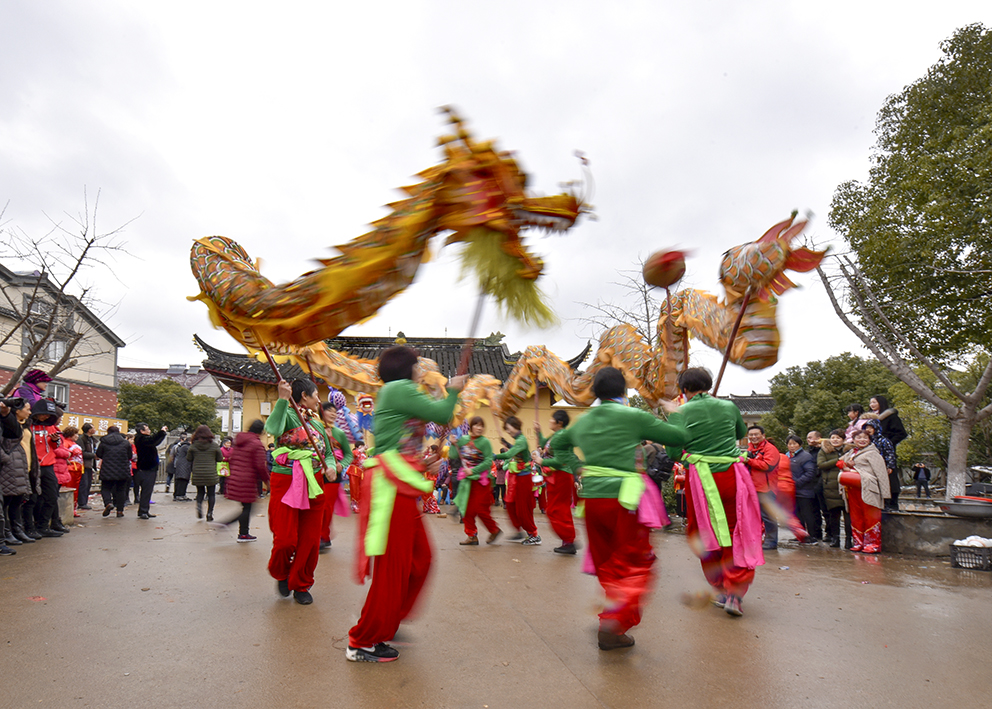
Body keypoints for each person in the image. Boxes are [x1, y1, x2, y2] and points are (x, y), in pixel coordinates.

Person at [347, 346, 466, 662]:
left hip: (401, 482)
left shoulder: (399, 392)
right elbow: (442, 414)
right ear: (406, 369)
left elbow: (406, 442)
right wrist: (453, 391)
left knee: (420, 559)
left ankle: (386, 621)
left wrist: (423, 464)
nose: (420, 372)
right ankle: (361, 640)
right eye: (417, 367)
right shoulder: (399, 389)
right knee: (393, 569)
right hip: (391, 488)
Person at [570, 366, 686, 649]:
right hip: (625, 500)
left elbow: (557, 446)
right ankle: (615, 620)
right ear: (623, 391)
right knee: (635, 559)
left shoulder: (581, 422)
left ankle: (613, 622)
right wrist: (677, 413)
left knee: (608, 561)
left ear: (594, 391)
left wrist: (579, 469)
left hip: (593, 500)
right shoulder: (633, 416)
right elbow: (679, 439)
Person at [664, 368, 762, 618]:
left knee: (705, 532)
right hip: (733, 476)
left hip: (702, 480)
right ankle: (735, 593)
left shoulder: (680, 412)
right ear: (707, 385)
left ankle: (720, 588)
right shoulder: (728, 407)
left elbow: (674, 452)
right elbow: (740, 433)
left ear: (684, 390)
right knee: (736, 531)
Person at [265, 379, 331, 606]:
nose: (319, 400)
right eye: (316, 395)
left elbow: (329, 453)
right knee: (285, 539)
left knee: (310, 540)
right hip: (286, 478)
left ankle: (302, 583)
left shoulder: (318, 423)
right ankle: (282, 572)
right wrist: (282, 399)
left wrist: (331, 466)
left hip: (315, 481)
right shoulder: (289, 414)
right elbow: (272, 429)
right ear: (304, 396)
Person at [533, 410, 580, 554]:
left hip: (561, 475)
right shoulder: (556, 435)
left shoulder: (561, 436)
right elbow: (544, 445)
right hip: (556, 476)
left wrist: (542, 460)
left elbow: (561, 460)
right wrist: (538, 432)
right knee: (556, 509)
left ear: (559, 422)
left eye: (552, 419)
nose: (550, 421)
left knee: (556, 509)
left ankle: (569, 539)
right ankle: (568, 540)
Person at [838, 428, 890, 553]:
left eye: (865, 438)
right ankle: (859, 543)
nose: (862, 440)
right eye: (858, 438)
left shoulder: (873, 454)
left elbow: (881, 474)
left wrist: (885, 493)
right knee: (856, 516)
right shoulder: (851, 452)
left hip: (869, 488)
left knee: (871, 516)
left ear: (869, 440)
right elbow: (840, 462)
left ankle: (873, 544)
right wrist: (844, 465)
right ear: (854, 440)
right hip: (852, 488)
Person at [218, 419, 270, 541]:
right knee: (249, 508)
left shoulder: (239, 441)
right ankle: (227, 525)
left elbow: (232, 459)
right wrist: (267, 481)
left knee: (246, 507)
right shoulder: (256, 444)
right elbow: (260, 466)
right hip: (247, 480)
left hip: (236, 478)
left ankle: (244, 533)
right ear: (261, 431)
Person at [454, 416, 500, 546]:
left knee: (480, 509)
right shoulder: (463, 440)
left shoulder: (484, 442)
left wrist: (473, 471)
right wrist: (453, 444)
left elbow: (488, 461)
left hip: (482, 481)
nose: (479, 428)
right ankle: (472, 536)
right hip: (467, 481)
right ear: (471, 427)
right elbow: (454, 455)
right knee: (466, 509)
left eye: (482, 426)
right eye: (476, 425)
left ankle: (494, 530)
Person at [494, 416, 539, 545]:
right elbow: (514, 450)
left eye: (508, 429)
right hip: (516, 477)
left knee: (522, 508)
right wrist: (507, 444)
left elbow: (509, 454)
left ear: (515, 426)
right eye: (506, 430)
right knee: (510, 504)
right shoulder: (519, 440)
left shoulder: (521, 440)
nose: (508, 432)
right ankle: (519, 530)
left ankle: (533, 534)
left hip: (524, 478)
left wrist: (494, 456)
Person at [30, 398, 68, 537]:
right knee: (33, 499)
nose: (46, 417)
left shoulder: (50, 427)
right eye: (43, 414)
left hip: (48, 466)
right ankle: (31, 527)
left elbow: (56, 446)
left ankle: (44, 525)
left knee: (51, 497)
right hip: (32, 466)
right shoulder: (28, 426)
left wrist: (54, 440)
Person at [319, 401, 353, 551]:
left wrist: (341, 464)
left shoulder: (339, 433)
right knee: (316, 505)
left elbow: (349, 455)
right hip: (316, 472)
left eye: (335, 412)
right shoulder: (315, 429)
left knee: (326, 507)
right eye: (329, 411)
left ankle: (323, 537)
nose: (333, 414)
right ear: (322, 412)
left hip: (333, 475)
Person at [0, 398, 34, 547]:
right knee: (6, 502)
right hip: (8, 466)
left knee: (17, 501)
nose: (29, 411)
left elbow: (15, 434)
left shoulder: (24, 425)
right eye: (26, 408)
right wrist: (5, 458)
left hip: (22, 465)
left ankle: (17, 531)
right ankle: (7, 534)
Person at [744, 425, 781, 550]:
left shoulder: (770, 449)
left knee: (768, 516)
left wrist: (748, 461)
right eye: (751, 435)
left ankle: (771, 541)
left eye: (756, 434)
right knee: (754, 515)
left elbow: (768, 466)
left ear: (763, 435)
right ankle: (757, 539)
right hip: (752, 487)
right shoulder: (750, 449)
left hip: (766, 488)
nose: (753, 437)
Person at [817, 430, 849, 548]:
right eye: (833, 437)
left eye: (838, 438)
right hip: (830, 486)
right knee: (833, 514)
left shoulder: (849, 450)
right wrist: (838, 461)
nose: (835, 440)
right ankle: (835, 538)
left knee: (848, 515)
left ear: (843, 439)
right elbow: (821, 464)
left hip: (846, 484)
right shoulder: (824, 450)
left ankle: (849, 539)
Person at [786, 435, 820, 543]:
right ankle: (801, 535)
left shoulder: (805, 456)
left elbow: (810, 473)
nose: (792, 446)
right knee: (797, 514)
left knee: (808, 515)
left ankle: (812, 536)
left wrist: (796, 483)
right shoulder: (787, 456)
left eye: (794, 444)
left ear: (799, 444)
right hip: (792, 491)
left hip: (804, 491)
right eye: (789, 444)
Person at [97, 425, 135, 518]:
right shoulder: (125, 443)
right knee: (121, 490)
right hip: (122, 469)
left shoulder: (104, 442)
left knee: (105, 488)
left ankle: (108, 503)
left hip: (107, 469)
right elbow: (130, 456)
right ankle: (120, 511)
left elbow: (98, 454)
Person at [187, 425, 223, 522]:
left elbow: (189, 458)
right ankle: (210, 513)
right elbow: (220, 459)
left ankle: (199, 506)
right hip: (211, 473)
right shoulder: (214, 445)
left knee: (200, 492)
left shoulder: (193, 446)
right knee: (211, 494)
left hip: (198, 473)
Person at [862, 420, 899, 511]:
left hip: (883, 468)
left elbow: (890, 454)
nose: (869, 430)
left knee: (887, 486)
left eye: (871, 427)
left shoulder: (883, 441)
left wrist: (890, 466)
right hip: (871, 469)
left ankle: (889, 505)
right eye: (867, 428)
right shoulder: (866, 441)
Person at [133, 423, 168, 519]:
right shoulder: (141, 439)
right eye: (147, 429)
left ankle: (144, 510)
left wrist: (162, 434)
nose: (149, 431)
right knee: (146, 490)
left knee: (147, 490)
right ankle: (143, 510)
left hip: (149, 467)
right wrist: (161, 432)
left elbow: (155, 442)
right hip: (146, 468)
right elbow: (153, 440)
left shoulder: (144, 439)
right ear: (142, 431)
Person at [77, 423, 98, 510]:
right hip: (84, 465)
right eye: (93, 428)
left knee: (88, 484)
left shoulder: (92, 440)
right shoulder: (82, 439)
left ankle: (84, 502)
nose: (95, 429)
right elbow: (82, 452)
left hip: (90, 465)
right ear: (89, 430)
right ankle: (81, 502)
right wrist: (93, 455)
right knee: (84, 484)